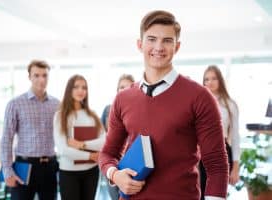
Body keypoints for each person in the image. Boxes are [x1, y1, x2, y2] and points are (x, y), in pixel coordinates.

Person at [98, 10, 229, 200]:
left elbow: (216, 165)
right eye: (151, 39)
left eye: (167, 40)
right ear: (140, 44)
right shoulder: (122, 99)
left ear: (177, 47)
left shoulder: (200, 96)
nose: (159, 47)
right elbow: (107, 154)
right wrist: (115, 175)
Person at [0, 60, 59, 200]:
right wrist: (7, 170)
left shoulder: (57, 104)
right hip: (24, 166)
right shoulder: (15, 104)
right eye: (36, 75)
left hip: (49, 166)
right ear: (29, 77)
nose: (41, 79)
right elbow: (6, 139)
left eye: (45, 75)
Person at [53, 74, 105, 200]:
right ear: (69, 90)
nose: (81, 91)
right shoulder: (60, 116)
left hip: (92, 172)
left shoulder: (92, 115)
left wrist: (82, 144)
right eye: (76, 87)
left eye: (84, 87)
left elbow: (104, 141)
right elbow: (63, 149)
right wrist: (90, 155)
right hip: (69, 173)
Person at [200, 65, 240, 200]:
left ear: (220, 80)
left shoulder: (230, 104)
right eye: (206, 79)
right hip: (200, 152)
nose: (209, 82)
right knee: (198, 193)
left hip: (221, 151)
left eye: (213, 78)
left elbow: (235, 137)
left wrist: (236, 167)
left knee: (216, 194)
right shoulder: (198, 103)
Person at [101, 74, 135, 200]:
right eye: (121, 87)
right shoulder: (108, 109)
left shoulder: (138, 111)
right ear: (117, 90)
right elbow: (102, 135)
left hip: (131, 165)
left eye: (129, 87)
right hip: (113, 163)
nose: (124, 90)